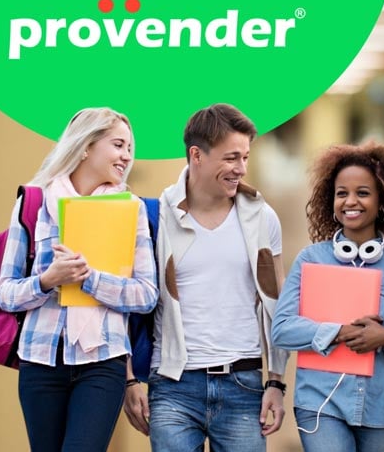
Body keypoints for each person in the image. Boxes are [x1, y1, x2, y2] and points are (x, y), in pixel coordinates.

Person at [122, 104, 289, 451]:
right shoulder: (155, 217)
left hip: (244, 385)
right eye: (231, 158)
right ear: (196, 155)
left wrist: (276, 382)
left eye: (244, 157)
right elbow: (126, 302)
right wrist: (128, 380)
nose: (241, 169)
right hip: (173, 387)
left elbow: (277, 305)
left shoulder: (262, 218)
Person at [0, 107, 159, 452]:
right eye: (118, 145)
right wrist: (46, 280)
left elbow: (146, 294)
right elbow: (6, 295)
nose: (127, 156)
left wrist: (89, 279)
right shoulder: (33, 203)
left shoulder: (131, 208)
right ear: (86, 146)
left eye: (130, 147)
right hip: (40, 360)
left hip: (103, 362)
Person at [271, 141, 384, 451]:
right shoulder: (310, 259)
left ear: (382, 202)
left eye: (363, 193)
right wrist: (337, 332)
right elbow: (282, 329)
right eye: (342, 193)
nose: (351, 201)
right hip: (321, 404)